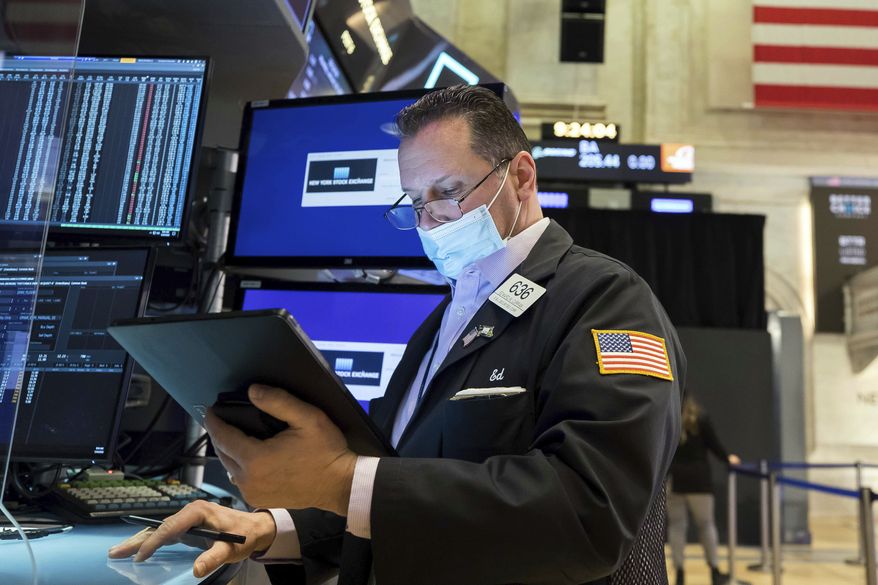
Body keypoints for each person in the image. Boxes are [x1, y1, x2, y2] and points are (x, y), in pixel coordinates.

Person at [109, 85, 686, 585]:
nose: (430, 220)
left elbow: (588, 514)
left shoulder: (605, 300)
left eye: (448, 190)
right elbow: (394, 484)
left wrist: (338, 480)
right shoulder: (440, 325)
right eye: (415, 202)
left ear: (522, 175)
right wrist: (271, 525)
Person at [667, 395, 741, 585]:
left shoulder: (669, 417)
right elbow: (714, 445)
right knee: (706, 525)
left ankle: (680, 573)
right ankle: (715, 571)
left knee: (677, 527)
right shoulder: (701, 418)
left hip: (675, 479)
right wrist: (727, 458)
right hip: (699, 481)